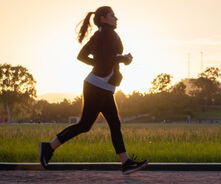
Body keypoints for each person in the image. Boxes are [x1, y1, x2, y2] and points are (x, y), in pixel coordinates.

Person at [39, 6, 149, 175]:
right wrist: (123, 59)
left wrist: (107, 63)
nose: (116, 18)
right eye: (112, 15)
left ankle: (126, 163)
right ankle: (48, 147)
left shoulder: (102, 34)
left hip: (102, 86)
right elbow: (102, 58)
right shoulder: (105, 34)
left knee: (113, 123)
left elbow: (85, 56)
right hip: (96, 86)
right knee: (86, 125)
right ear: (104, 18)